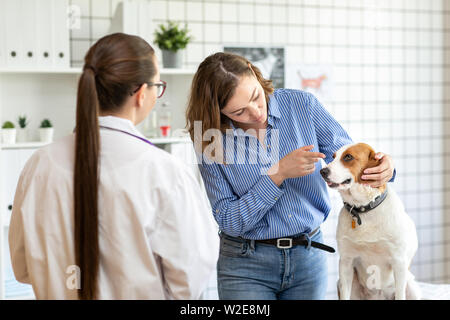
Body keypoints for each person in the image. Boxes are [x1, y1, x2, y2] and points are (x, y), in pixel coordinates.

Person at [9, 33, 219, 300]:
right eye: (158, 86)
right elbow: (190, 279)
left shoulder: (39, 165)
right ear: (142, 94)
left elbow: (22, 267)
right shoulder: (165, 172)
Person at [185, 52, 395, 300]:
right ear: (217, 111)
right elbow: (229, 221)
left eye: (256, 97)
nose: (255, 113)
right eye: (239, 111)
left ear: (255, 74)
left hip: (308, 258)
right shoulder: (209, 137)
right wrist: (278, 174)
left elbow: (352, 162)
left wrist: (384, 170)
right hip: (244, 267)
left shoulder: (303, 106)